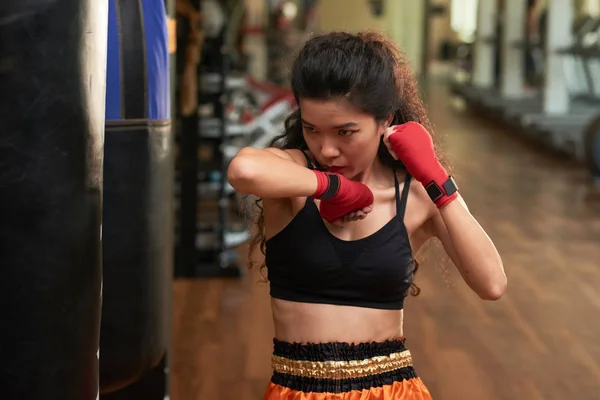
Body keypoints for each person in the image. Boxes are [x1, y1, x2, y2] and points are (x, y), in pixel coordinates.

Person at [227, 30, 506, 400]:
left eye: (346, 132)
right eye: (312, 129)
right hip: (296, 390)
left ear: (384, 120)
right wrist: (334, 188)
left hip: (392, 390)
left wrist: (438, 178)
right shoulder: (296, 178)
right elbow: (243, 171)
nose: (327, 149)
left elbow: (491, 284)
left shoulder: (415, 195)